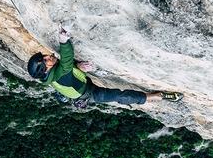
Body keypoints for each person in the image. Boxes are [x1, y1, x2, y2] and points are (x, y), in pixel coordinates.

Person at [27, 25, 184, 107]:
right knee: (119, 96)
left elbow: (67, 66)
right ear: (46, 69)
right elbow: (67, 59)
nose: (48, 56)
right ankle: (157, 96)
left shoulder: (51, 74)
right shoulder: (60, 73)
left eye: (44, 56)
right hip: (89, 93)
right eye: (45, 60)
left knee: (71, 74)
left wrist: (78, 66)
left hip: (77, 85)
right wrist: (63, 41)